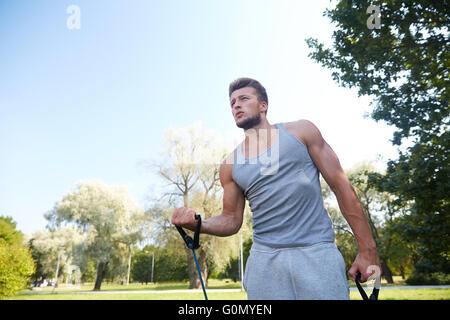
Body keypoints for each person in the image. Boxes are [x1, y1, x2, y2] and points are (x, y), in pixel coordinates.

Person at [171, 77, 381, 299]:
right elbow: (231, 219)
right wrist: (199, 224)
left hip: (316, 252)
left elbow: (342, 187)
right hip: (265, 261)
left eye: (243, 98)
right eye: (232, 103)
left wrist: (368, 250)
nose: (236, 105)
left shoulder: (301, 131)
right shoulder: (230, 165)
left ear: (263, 105)